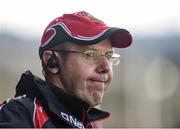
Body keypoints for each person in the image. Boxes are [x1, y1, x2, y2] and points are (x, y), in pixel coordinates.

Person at [0, 11, 132, 128]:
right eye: (90, 54)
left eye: (109, 56)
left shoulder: (85, 122)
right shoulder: (17, 115)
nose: (106, 68)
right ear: (52, 62)